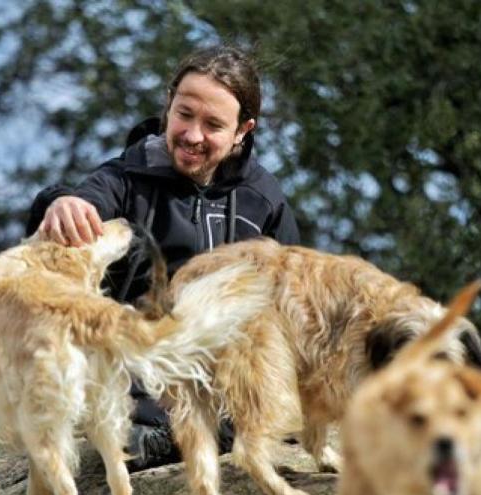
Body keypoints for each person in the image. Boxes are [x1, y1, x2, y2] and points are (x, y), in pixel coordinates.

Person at [25, 45, 300, 470]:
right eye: (184, 114)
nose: (192, 135)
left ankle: (208, 430)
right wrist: (61, 203)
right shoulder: (125, 177)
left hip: (231, 371)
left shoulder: (263, 200)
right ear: (169, 103)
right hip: (140, 369)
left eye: (213, 125)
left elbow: (295, 298)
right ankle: (165, 436)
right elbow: (80, 201)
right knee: (125, 434)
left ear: (243, 130)